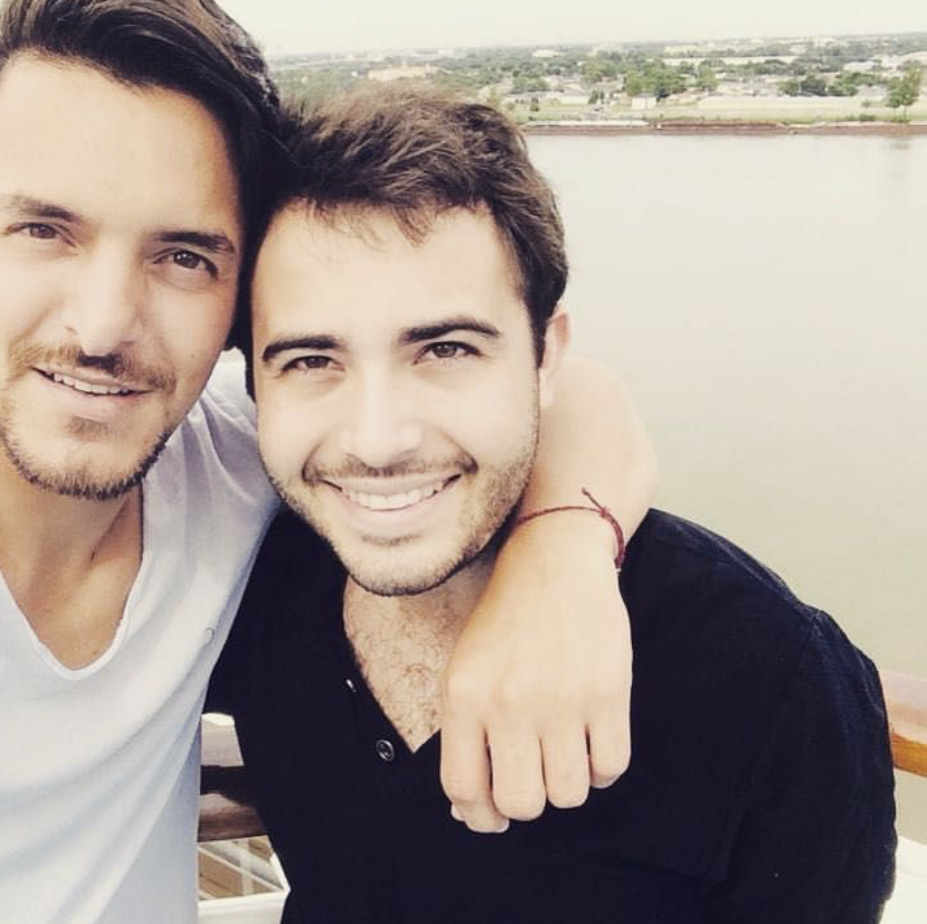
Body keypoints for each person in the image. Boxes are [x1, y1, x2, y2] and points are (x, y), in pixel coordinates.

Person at [0, 2, 656, 921]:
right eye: (44, 231)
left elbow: (562, 385)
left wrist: (559, 564)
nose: (103, 326)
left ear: (239, 301)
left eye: (184, 257)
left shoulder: (237, 461)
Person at [209, 88, 898, 923]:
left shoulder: (769, 678)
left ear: (546, 358)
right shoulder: (248, 579)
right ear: (255, 386)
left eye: (446, 349)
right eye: (311, 361)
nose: (378, 439)